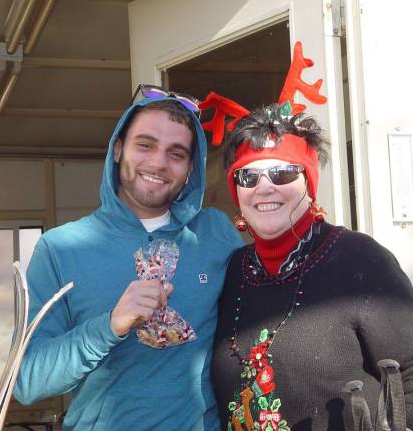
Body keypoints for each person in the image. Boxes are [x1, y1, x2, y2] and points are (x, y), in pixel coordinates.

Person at [211, 103, 413, 431]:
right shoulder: (231, 271)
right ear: (237, 191)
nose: (265, 186)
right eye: (248, 176)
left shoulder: (359, 260)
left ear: (309, 185)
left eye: (282, 172)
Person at [14, 86, 244, 430]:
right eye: (145, 145)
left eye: (176, 153)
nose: (158, 162)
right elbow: (27, 381)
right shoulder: (60, 249)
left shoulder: (216, 233)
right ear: (118, 149)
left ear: (191, 169)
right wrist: (109, 326)